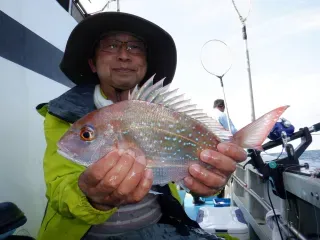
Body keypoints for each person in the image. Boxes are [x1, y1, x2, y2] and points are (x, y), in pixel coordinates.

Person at [35, 12, 247, 240]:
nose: (124, 55)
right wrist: (89, 196)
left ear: (146, 64)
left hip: (160, 230)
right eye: (111, 45)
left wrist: (206, 179)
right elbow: (57, 190)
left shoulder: (161, 109)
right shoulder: (60, 114)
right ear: (92, 63)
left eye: (135, 47)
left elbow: (174, 173)